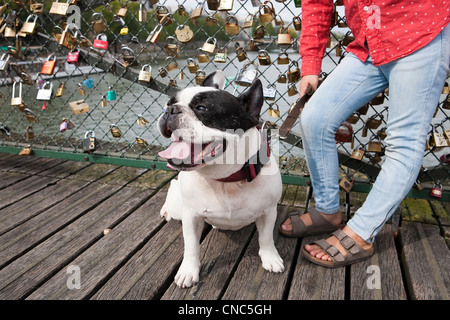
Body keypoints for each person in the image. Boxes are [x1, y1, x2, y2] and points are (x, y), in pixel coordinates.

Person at [279, 0, 450, 267]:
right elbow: (317, 2)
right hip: (369, 42)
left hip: (420, 35)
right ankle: (327, 212)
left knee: (403, 142)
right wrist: (311, 64)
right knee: (315, 118)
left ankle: (361, 232)